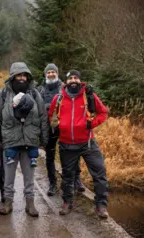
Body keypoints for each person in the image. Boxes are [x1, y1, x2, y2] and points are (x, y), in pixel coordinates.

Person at [48, 70, 109, 218]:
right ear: (66, 81)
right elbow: (51, 116)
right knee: (68, 175)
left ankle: (101, 205)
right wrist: (57, 125)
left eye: (76, 78)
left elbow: (103, 113)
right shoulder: (58, 98)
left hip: (87, 143)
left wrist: (91, 124)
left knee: (99, 173)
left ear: (80, 80)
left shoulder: (89, 96)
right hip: (66, 144)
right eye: (70, 78)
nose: (73, 80)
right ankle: (67, 202)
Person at [0, 62, 48, 216]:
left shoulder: (35, 94)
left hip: (30, 142)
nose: (22, 78)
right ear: (12, 77)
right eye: (18, 75)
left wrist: (44, 138)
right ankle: (8, 203)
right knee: (8, 177)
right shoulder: (2, 95)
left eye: (24, 75)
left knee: (29, 177)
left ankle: (30, 204)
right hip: (10, 142)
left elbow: (43, 116)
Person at [37, 63, 85, 196]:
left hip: (65, 127)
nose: (51, 74)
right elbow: (38, 109)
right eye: (48, 72)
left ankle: (76, 180)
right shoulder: (40, 90)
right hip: (47, 128)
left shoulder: (65, 88)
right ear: (45, 74)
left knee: (71, 154)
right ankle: (52, 183)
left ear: (57, 73)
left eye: (53, 72)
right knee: (49, 157)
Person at [4, 92, 39, 167]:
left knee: (32, 141)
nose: (13, 105)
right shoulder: (29, 105)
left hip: (29, 129)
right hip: (25, 129)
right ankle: (11, 156)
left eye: (15, 104)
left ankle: (33, 158)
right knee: (15, 140)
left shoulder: (31, 107)